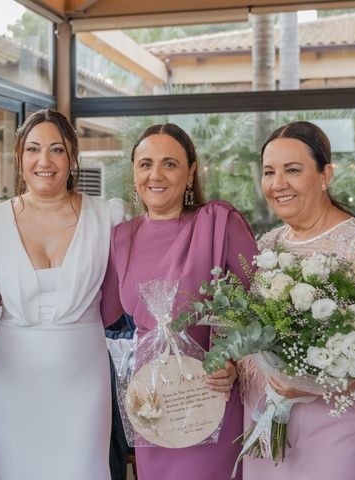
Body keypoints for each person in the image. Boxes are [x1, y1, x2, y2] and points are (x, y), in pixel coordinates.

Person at [100, 124, 258, 480]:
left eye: (169, 164)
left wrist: (232, 360)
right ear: (134, 173)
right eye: (145, 164)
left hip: (209, 392)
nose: (155, 174)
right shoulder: (120, 237)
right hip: (151, 400)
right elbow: (99, 311)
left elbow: (260, 306)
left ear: (190, 172)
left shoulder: (218, 222)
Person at [0, 108, 124, 480]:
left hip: (83, 375)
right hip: (13, 376)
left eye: (56, 150)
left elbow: (127, 292)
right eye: (33, 149)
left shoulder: (108, 216)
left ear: (72, 157)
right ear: (20, 157)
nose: (44, 160)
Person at [240, 121, 355, 480]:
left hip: (332, 423)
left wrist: (316, 378)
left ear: (325, 174)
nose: (278, 183)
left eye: (293, 170)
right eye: (269, 172)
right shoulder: (266, 246)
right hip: (265, 416)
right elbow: (247, 334)